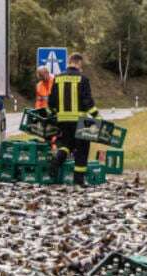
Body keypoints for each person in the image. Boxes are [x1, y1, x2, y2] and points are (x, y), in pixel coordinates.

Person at [49, 53, 99, 186]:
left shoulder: (57, 79)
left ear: (69, 62)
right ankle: (79, 181)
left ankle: (57, 161)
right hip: (80, 120)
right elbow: (87, 100)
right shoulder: (83, 79)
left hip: (63, 121)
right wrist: (96, 116)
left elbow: (51, 101)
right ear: (78, 63)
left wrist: (54, 114)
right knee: (82, 149)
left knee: (66, 144)